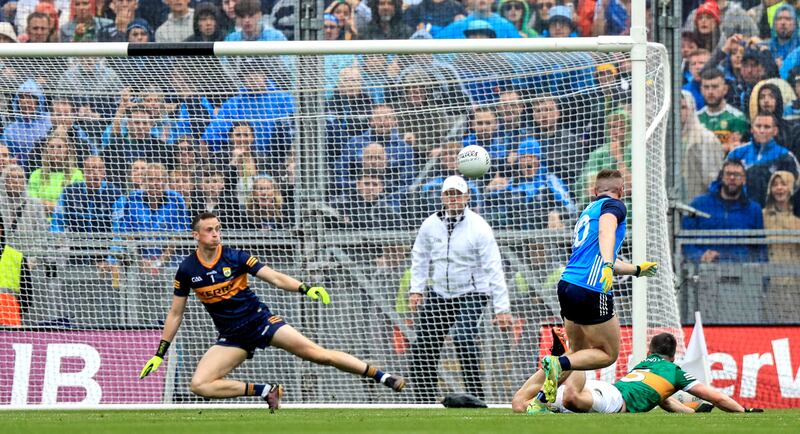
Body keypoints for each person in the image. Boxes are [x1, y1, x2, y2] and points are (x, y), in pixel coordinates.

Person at [138, 211, 406, 410]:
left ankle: (383, 376)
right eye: (209, 230)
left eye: (218, 228)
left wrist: (305, 288)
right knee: (199, 385)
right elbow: (176, 314)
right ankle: (266, 391)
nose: (216, 234)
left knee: (318, 355)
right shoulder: (187, 270)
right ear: (196, 235)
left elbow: (275, 277)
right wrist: (160, 353)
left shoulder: (236, 257)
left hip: (262, 322)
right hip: (232, 337)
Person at [528, 169, 658, 409]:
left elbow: (597, 255)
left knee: (577, 352)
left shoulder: (588, 211)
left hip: (567, 284)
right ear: (622, 191)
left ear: (594, 191)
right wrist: (607, 265)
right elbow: (606, 231)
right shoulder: (615, 206)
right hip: (591, 288)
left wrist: (637, 270)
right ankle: (558, 364)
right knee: (607, 354)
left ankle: (538, 402)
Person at [408, 175, 512, 403]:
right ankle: (425, 401)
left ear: (466, 197)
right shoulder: (430, 224)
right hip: (440, 292)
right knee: (422, 345)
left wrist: (502, 309)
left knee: (464, 338)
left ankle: (475, 396)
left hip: (472, 292)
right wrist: (416, 289)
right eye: (449, 194)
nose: (453, 198)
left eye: (457, 194)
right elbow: (420, 256)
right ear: (442, 197)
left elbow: (494, 267)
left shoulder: (479, 227)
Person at [514, 331, 762, 414]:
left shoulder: (642, 365)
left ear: (650, 351)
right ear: (673, 355)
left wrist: (692, 412)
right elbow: (716, 397)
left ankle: (557, 366)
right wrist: (743, 411)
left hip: (603, 391)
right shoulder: (674, 372)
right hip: (612, 401)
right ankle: (569, 355)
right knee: (572, 397)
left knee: (519, 404)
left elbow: (664, 401)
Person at [682, 159, 767, 263]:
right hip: (706, 269)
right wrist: (699, 256)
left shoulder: (754, 210)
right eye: (728, 174)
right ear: (721, 177)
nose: (732, 178)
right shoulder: (699, 204)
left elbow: (761, 249)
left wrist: (758, 270)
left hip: (742, 270)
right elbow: (686, 240)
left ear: (744, 179)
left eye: (737, 175)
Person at [761, 170, 800, 323]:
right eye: (775, 185)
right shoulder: (762, 216)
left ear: (790, 188)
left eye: (783, 184)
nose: (779, 188)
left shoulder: (797, 221)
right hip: (770, 281)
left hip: (794, 282)